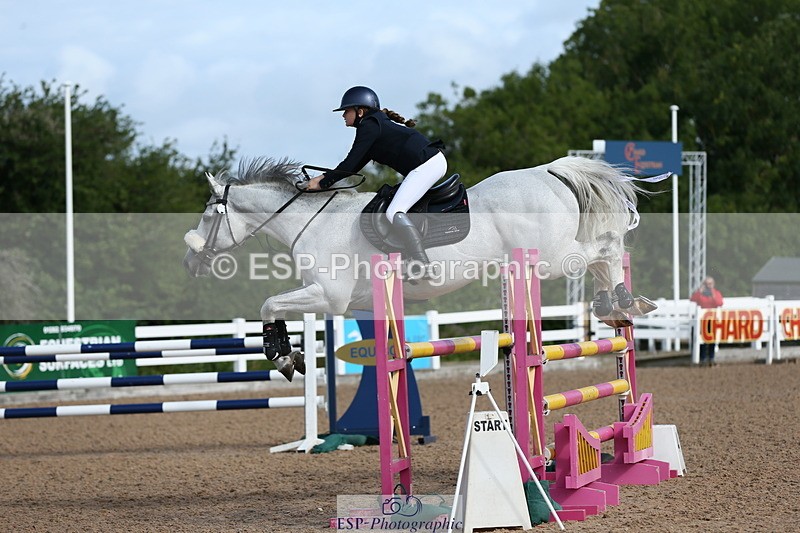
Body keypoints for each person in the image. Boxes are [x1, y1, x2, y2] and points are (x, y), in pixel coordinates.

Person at [307, 86, 447, 273]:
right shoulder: (373, 125)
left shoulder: (369, 125)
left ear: (360, 111)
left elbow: (348, 165)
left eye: (346, 111)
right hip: (429, 163)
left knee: (394, 211)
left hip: (428, 165)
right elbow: (353, 167)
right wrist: (325, 180)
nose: (343, 115)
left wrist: (322, 181)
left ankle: (422, 264)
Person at [690, 276, 724, 366]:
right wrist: (699, 292)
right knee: (701, 340)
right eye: (707, 284)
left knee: (712, 339)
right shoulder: (700, 294)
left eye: (710, 284)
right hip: (702, 321)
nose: (708, 286)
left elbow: (719, 303)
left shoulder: (716, 293)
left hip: (712, 320)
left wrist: (712, 295)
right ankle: (702, 358)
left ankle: (711, 358)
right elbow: (692, 299)